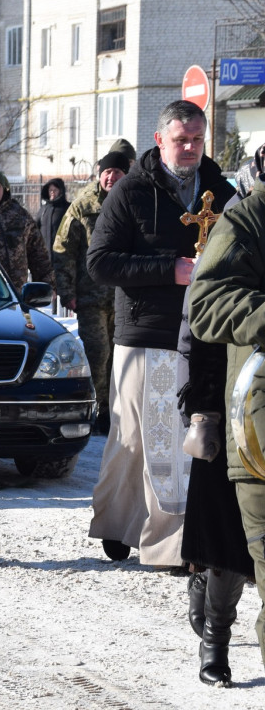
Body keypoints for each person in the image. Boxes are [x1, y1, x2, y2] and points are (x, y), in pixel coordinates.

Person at [87, 100, 235, 567]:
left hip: (202, 333)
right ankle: (122, 522)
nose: (189, 148)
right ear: (159, 140)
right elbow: (100, 261)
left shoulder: (220, 190)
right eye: (180, 140)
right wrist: (170, 269)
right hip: (146, 333)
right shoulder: (131, 191)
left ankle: (173, 542)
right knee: (136, 439)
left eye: (196, 139)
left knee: (177, 440)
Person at [190, 180, 265, 682]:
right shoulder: (247, 221)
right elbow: (201, 309)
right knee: (227, 547)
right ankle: (216, 637)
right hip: (250, 422)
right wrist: (201, 412)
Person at [174, 276, 252, 686]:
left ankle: (205, 579)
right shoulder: (239, 234)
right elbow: (197, 333)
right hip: (229, 403)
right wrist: (203, 414)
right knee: (229, 534)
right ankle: (215, 643)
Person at [52, 152, 129, 435]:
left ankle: (115, 412)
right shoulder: (84, 206)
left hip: (125, 297)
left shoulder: (134, 202)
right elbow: (64, 250)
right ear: (99, 174)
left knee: (121, 357)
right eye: (106, 172)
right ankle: (97, 410)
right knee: (98, 354)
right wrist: (66, 290)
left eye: (117, 172)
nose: (111, 177)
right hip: (91, 297)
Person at [37, 178, 69, 255]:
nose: (52, 192)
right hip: (45, 256)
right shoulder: (43, 210)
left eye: (55, 190)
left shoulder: (67, 209)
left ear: (60, 191)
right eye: (50, 190)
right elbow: (36, 230)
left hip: (63, 256)